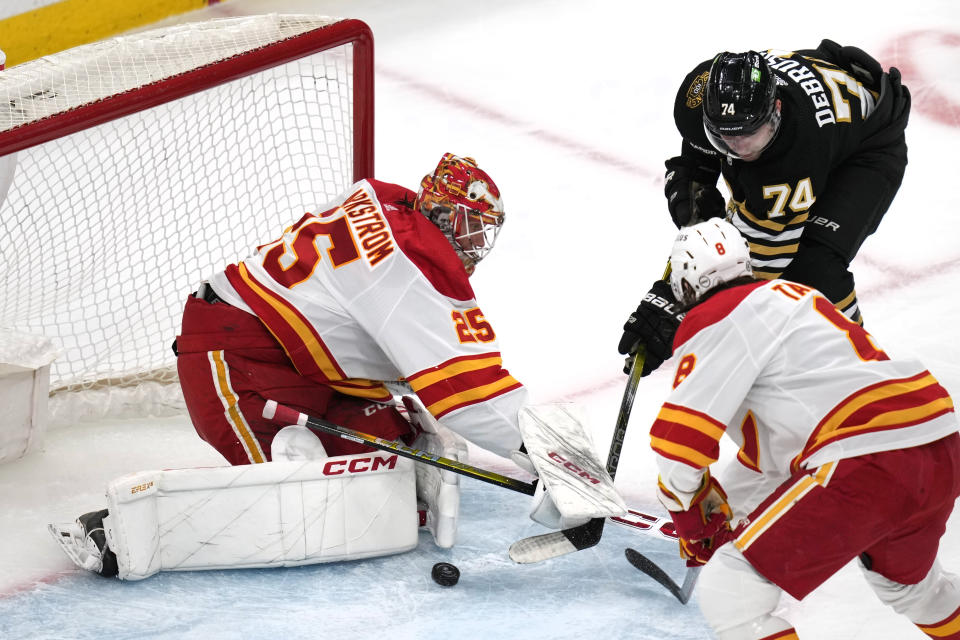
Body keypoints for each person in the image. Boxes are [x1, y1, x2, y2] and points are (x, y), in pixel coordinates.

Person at [49, 154, 605, 580]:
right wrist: (557, 458)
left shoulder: (393, 211)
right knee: (306, 501)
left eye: (484, 231)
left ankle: (341, 456)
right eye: (469, 226)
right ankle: (122, 530)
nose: (476, 245)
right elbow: (464, 391)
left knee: (389, 466)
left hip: (300, 364)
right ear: (441, 211)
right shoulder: (407, 268)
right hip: (233, 360)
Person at [649, 218, 960, 639]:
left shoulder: (716, 316)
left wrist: (691, 514)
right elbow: (775, 457)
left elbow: (678, 448)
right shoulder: (797, 295)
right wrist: (729, 512)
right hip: (936, 440)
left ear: (685, 287)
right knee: (915, 590)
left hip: (865, 458)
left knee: (732, 593)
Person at [618, 41, 911, 376]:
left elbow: (748, 263)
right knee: (696, 196)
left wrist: (674, 304)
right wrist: (695, 172)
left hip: (867, 149)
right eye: (723, 138)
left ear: (777, 110)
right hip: (829, 108)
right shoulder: (699, 95)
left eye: (750, 135)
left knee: (812, 269)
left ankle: (864, 374)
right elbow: (703, 143)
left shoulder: (788, 166)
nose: (739, 147)